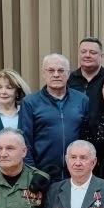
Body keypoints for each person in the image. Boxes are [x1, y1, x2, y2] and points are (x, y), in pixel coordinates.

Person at [19, 53, 89, 182]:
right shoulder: (30, 102)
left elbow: (87, 137)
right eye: (51, 70)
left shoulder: (82, 100)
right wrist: (32, 173)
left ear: (68, 74)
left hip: (77, 173)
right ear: (43, 74)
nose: (56, 74)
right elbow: (24, 141)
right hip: (42, 174)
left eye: (61, 70)